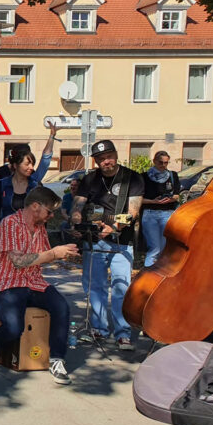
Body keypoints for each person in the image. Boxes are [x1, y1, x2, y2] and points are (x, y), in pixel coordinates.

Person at [0, 187, 79, 385]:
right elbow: (19, 261)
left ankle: (57, 360)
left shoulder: (40, 227)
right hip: (8, 281)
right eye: (49, 211)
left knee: (61, 307)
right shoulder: (9, 223)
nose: (51, 216)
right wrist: (54, 253)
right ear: (35, 206)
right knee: (13, 327)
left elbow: (42, 256)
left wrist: (64, 251)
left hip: (34, 282)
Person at [70, 140, 144, 351]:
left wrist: (113, 225)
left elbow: (133, 211)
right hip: (94, 240)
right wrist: (76, 221)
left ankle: (123, 333)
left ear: (116, 155)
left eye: (109, 156)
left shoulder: (132, 178)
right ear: (96, 161)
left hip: (122, 241)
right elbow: (78, 205)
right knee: (96, 287)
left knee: (121, 287)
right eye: (101, 159)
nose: (106, 161)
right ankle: (99, 329)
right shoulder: (90, 179)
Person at [0, 122, 58, 237]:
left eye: (32, 163)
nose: (31, 168)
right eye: (27, 163)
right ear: (15, 164)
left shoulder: (35, 184)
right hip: (7, 237)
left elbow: (45, 160)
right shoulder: (0, 181)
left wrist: (52, 136)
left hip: (30, 238)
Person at [141, 151, 181, 267]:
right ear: (154, 161)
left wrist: (170, 199)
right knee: (154, 247)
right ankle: (149, 274)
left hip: (167, 214)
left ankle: (161, 274)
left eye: (166, 163)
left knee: (165, 247)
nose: (163, 165)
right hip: (150, 214)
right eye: (160, 162)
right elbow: (138, 199)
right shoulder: (144, 177)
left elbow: (177, 195)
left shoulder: (173, 175)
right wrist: (153, 201)